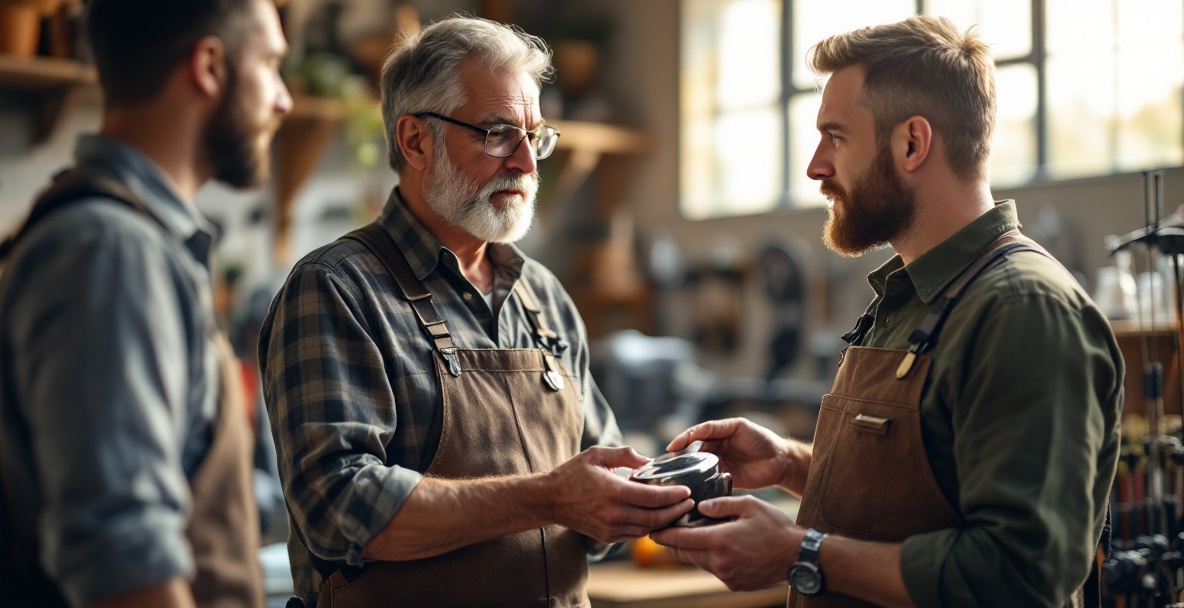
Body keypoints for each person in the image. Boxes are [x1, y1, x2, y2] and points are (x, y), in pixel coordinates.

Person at [651, 15, 1123, 608]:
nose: (816, 166)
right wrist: (793, 463)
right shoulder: (913, 296)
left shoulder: (1022, 310)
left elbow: (1021, 573)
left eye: (836, 136)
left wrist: (800, 552)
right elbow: (927, 490)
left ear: (911, 143)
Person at [257, 15, 693, 608]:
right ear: (415, 141)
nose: (526, 165)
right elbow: (338, 507)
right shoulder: (337, 290)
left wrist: (658, 491)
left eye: (534, 137)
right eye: (495, 133)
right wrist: (548, 497)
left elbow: (594, 512)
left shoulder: (543, 296)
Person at [0, 0, 292, 606]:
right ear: (209, 67)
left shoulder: (136, 242)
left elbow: (190, 492)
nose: (284, 99)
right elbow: (123, 558)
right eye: (270, 64)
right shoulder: (109, 251)